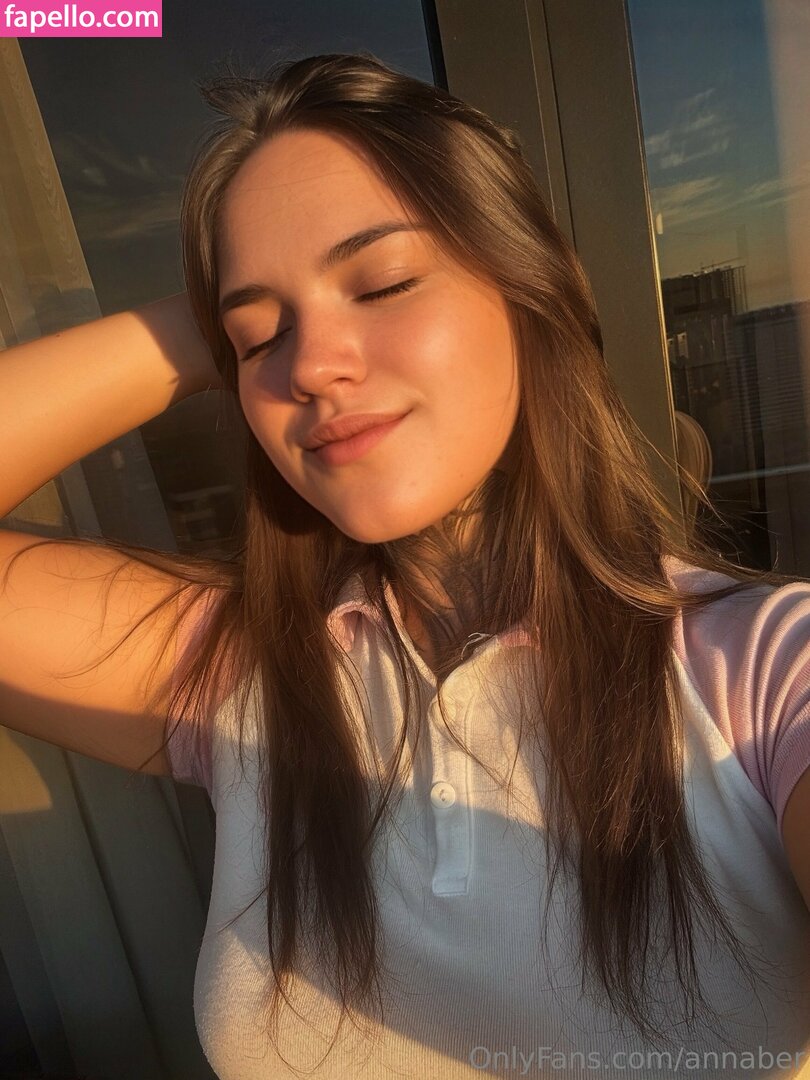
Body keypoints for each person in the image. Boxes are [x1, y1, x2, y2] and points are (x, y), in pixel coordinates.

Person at [0, 51, 808, 1080]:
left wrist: (257, 311)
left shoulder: (762, 672)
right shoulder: (252, 675)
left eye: (381, 283)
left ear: (526, 288)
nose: (309, 364)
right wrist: (202, 324)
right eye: (258, 337)